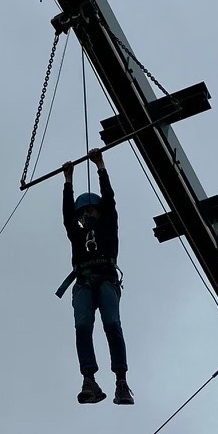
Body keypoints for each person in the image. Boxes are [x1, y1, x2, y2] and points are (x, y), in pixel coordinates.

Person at [58, 148, 134, 405]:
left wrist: (101, 166)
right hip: (83, 282)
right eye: (83, 214)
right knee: (82, 326)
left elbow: (110, 201)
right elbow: (68, 216)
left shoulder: (108, 227)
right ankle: (89, 379)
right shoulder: (77, 234)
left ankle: (121, 380)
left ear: (98, 213)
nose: (86, 216)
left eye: (91, 211)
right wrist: (68, 181)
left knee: (112, 323)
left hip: (106, 278)